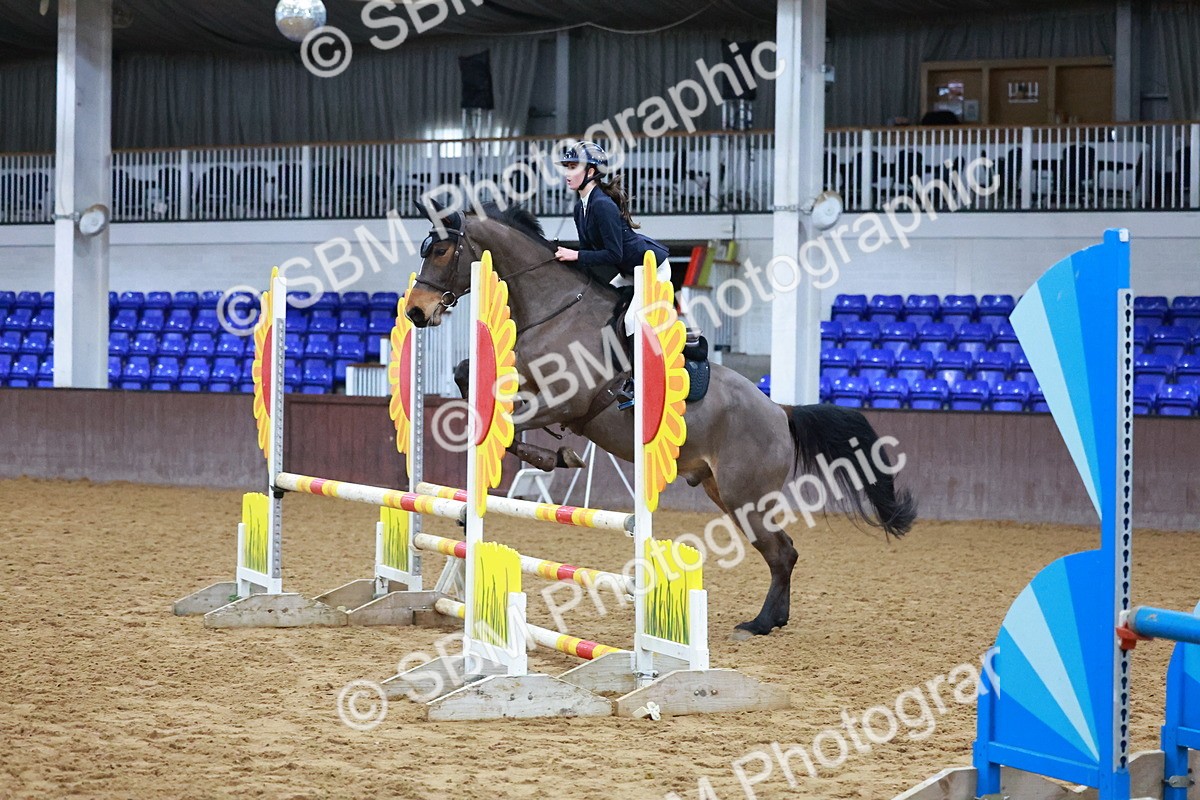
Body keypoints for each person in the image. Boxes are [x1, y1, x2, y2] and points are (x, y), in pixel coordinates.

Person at [553, 141, 697, 408]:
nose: (567, 173)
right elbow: (589, 252)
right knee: (600, 305)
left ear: (591, 171)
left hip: (651, 268)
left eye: (573, 167)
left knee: (632, 320)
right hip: (629, 271)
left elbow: (612, 254)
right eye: (567, 167)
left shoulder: (602, 205)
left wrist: (576, 256)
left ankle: (637, 382)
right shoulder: (580, 207)